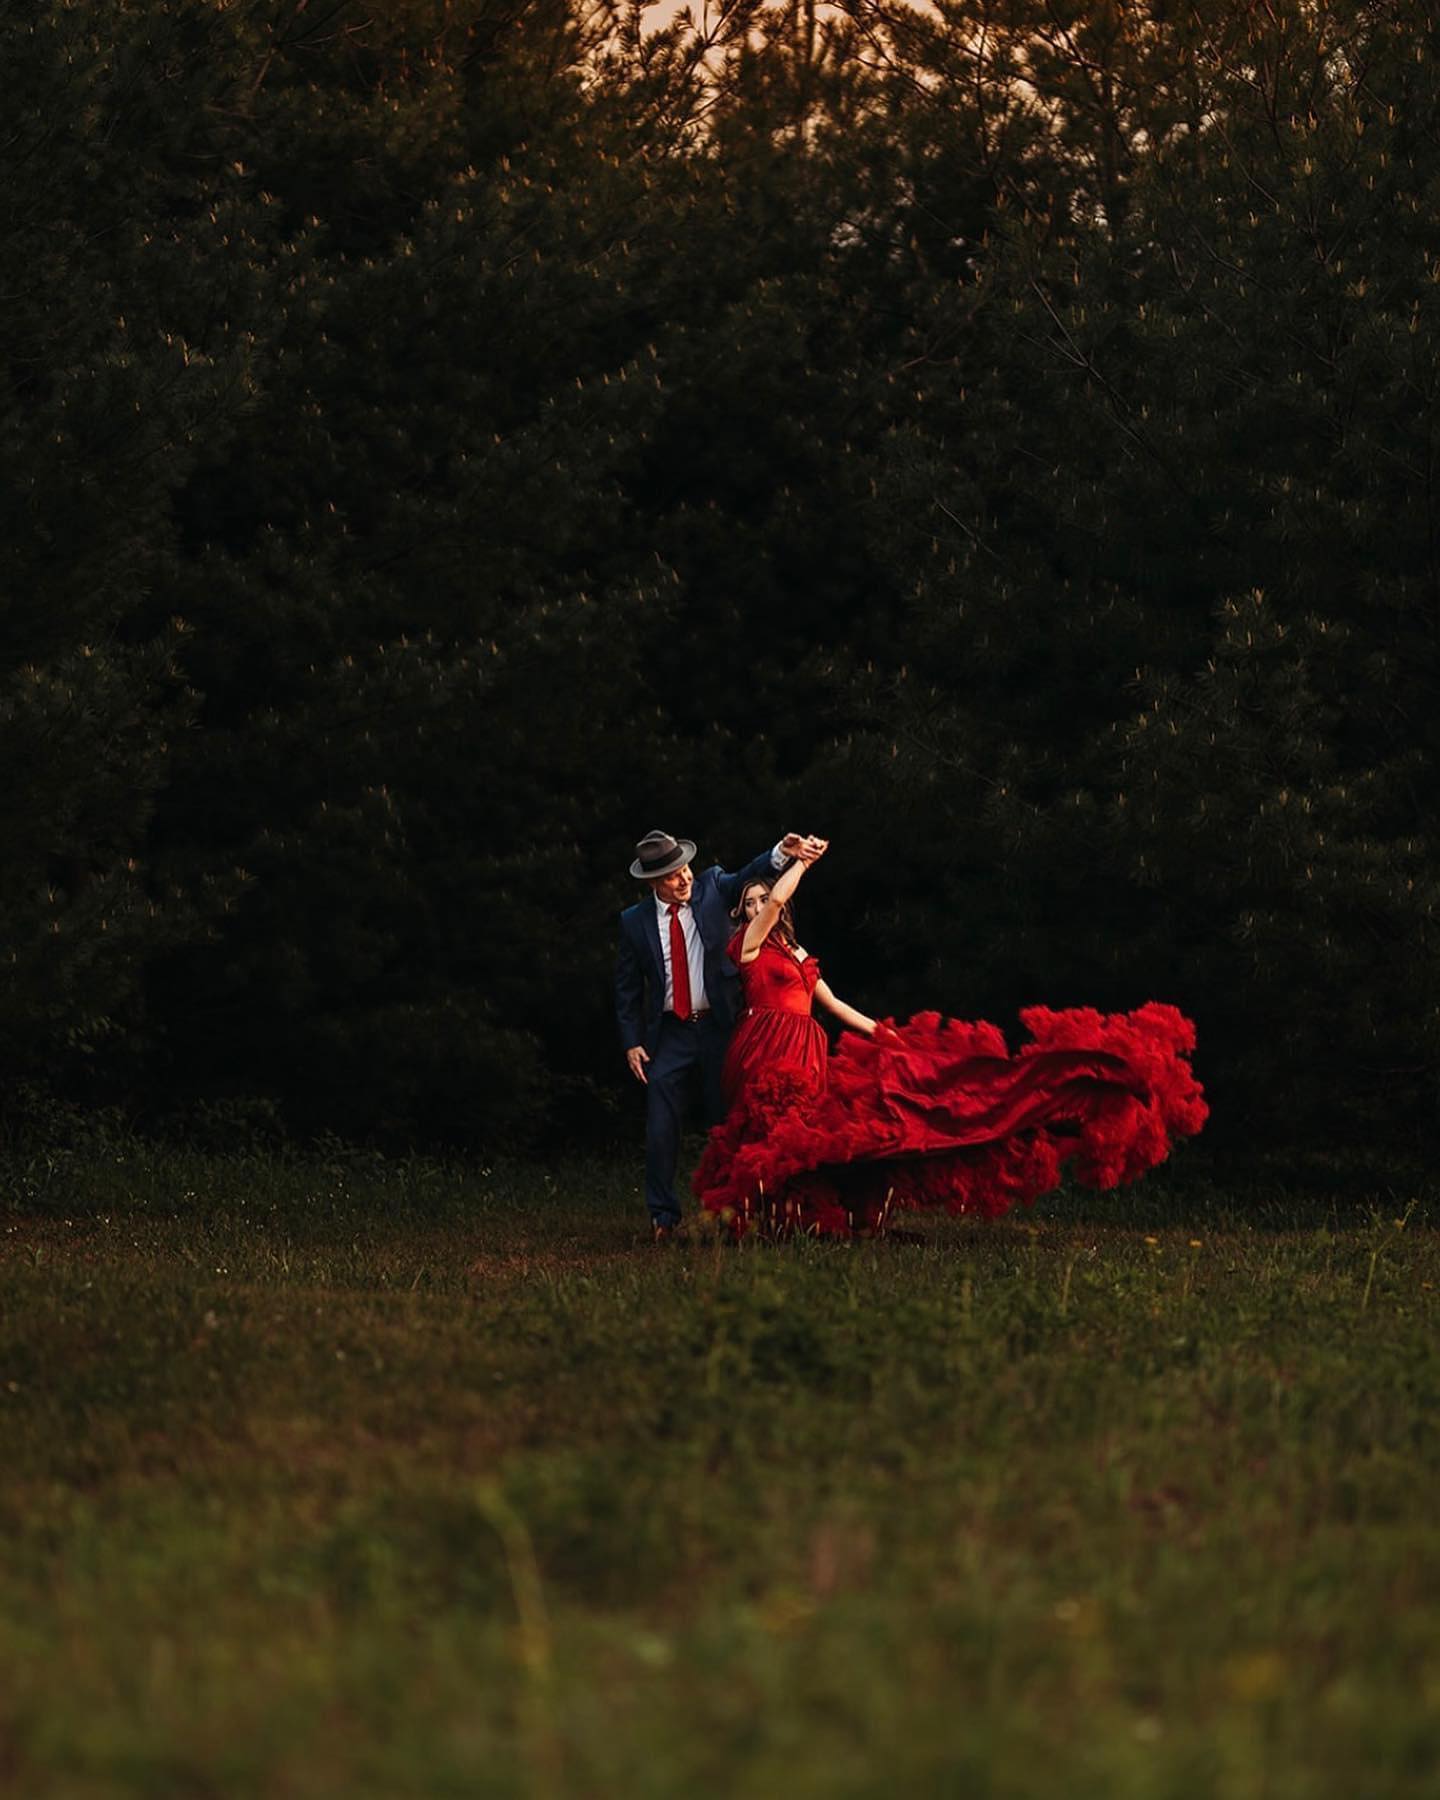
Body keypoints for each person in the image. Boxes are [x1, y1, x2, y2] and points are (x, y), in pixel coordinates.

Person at [694, 843, 1209, 1239]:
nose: (758, 905)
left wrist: (887, 1036)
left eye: (761, 899)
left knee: (811, 1125)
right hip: (765, 1040)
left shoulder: (798, 952)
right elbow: (778, 897)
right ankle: (754, 1216)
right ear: (742, 914)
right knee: (771, 1124)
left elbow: (834, 1005)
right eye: (749, 902)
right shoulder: (748, 945)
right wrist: (801, 863)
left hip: (805, 1041)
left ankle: (793, 1217)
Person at [615, 828, 825, 1241]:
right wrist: (632, 1041)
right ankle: (662, 1217)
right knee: (660, 1125)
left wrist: (781, 852)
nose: (684, 878)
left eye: (685, 869)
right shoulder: (634, 922)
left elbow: (749, 874)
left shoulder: (711, 886)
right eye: (673, 875)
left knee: (728, 1119)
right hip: (670, 1034)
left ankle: (736, 1212)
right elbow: (627, 987)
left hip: (720, 1026)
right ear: (654, 882)